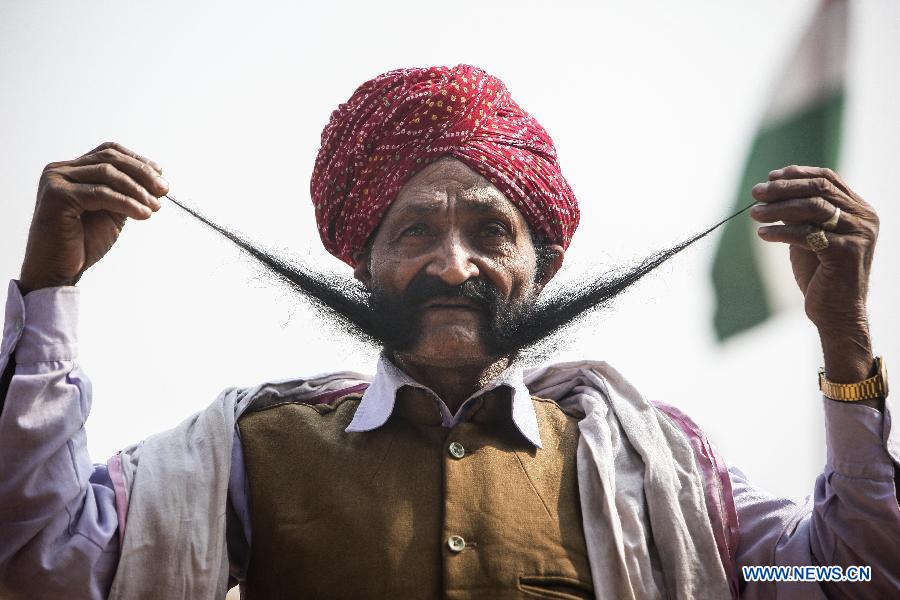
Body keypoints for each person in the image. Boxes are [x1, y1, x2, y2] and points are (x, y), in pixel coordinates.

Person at [0, 65, 896, 600]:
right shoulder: (245, 455)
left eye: (490, 233)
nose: (453, 266)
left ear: (541, 270)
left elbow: (848, 581)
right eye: (417, 232)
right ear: (361, 263)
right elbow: (45, 569)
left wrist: (847, 348)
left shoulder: (657, 471)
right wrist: (50, 288)